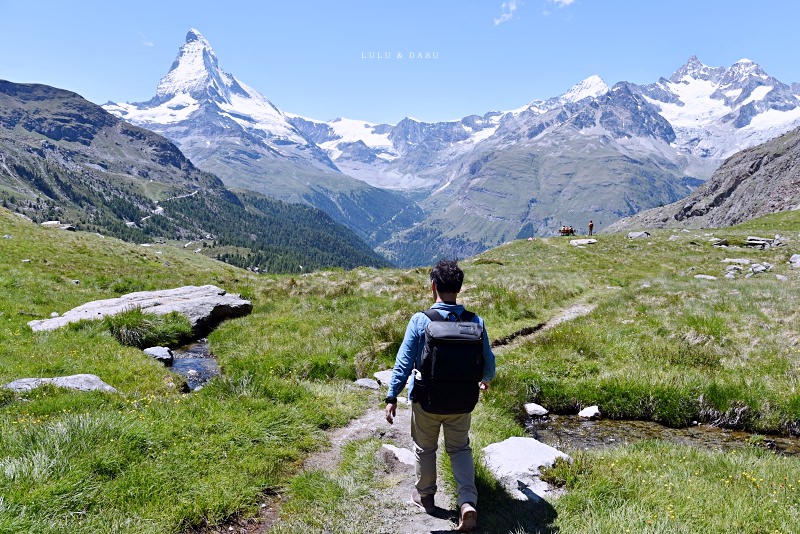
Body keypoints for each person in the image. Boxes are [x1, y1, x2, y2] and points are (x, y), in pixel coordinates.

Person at [384, 259, 495, 532]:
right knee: (459, 449)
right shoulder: (474, 321)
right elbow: (488, 363)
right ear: (458, 288)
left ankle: (427, 498)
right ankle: (467, 502)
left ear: (433, 286)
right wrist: (485, 380)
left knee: (425, 448)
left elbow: (403, 363)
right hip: (462, 400)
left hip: (427, 400)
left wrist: (391, 396)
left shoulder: (421, 320)